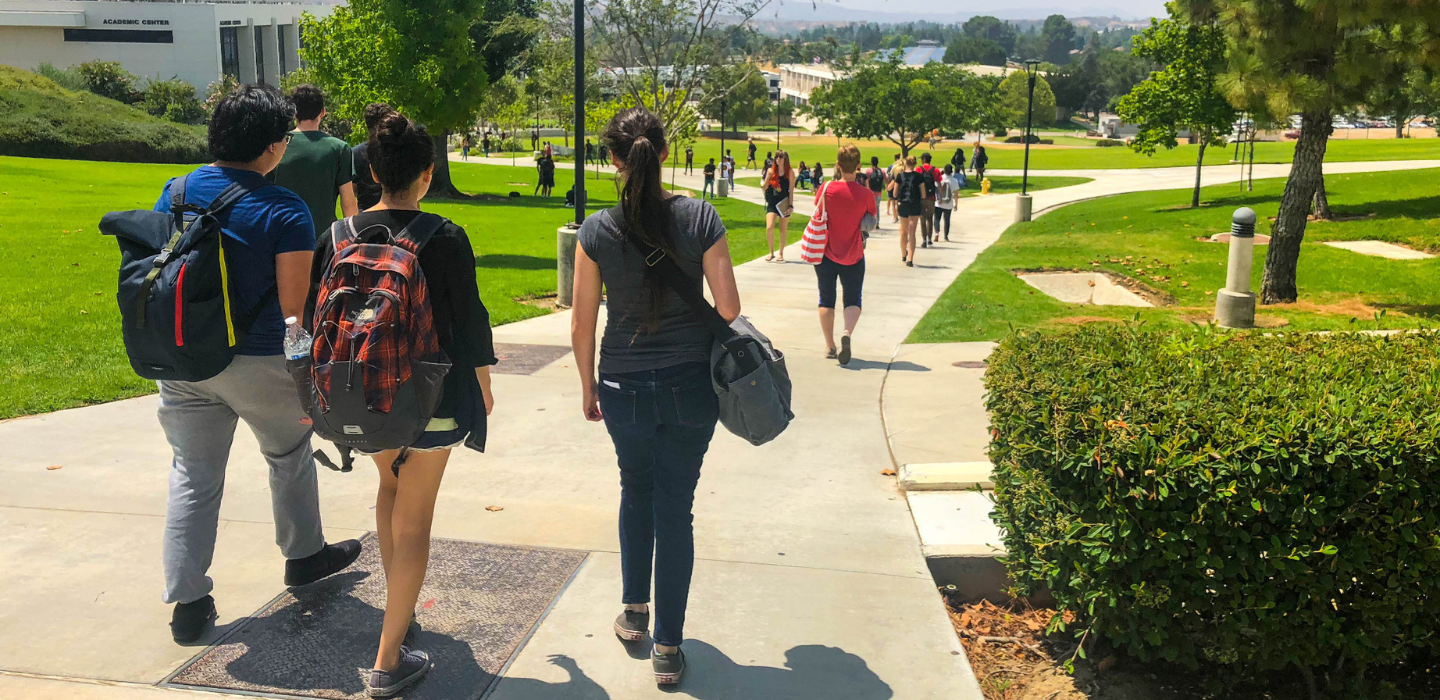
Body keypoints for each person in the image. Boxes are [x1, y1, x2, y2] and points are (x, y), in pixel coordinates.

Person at [152, 84, 362, 645]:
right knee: (289, 453)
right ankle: (304, 555)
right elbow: (295, 309)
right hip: (259, 359)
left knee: (193, 476)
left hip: (185, 357)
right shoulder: (283, 207)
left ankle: (188, 604)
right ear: (274, 146)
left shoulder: (174, 192)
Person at [305, 111, 497, 698]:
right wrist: (484, 387)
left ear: (369, 170)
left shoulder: (336, 237)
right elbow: (469, 323)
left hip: (363, 394)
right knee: (415, 516)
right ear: (427, 172)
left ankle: (399, 608)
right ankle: (389, 661)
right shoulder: (445, 236)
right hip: (430, 397)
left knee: (389, 490)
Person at [571, 106, 742, 688]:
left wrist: (587, 384)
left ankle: (635, 613)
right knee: (676, 508)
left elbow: (582, 322)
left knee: (634, 489)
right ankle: (668, 646)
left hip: (622, 384)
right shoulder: (700, 218)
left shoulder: (596, 230)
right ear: (665, 153)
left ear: (612, 160)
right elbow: (728, 308)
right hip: (690, 384)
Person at [814, 145, 876, 366]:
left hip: (825, 253)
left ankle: (830, 346)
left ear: (838, 165)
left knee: (826, 299)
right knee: (852, 299)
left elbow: (819, 212)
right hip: (854, 254)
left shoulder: (826, 189)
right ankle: (847, 333)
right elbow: (871, 220)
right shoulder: (866, 194)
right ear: (858, 165)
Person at [269, 84, 358, 234]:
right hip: (325, 236)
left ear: (293, 113)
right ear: (322, 112)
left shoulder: (275, 146)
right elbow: (348, 203)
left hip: (283, 233)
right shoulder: (339, 148)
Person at [351, 102, 396, 212]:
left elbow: (351, 191)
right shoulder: (398, 150)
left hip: (365, 214)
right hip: (397, 212)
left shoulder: (355, 153)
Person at [890, 155, 929, 267]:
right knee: (912, 232)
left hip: (903, 205)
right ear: (915, 164)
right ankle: (910, 258)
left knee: (903, 231)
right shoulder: (919, 176)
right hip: (915, 205)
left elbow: (895, 194)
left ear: (905, 163)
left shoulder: (900, 176)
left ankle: (903, 254)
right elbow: (923, 194)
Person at [763, 150, 795, 263]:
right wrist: (767, 178)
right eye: (777, 157)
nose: (778, 160)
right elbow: (764, 187)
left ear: (785, 160)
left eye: (780, 158)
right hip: (772, 202)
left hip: (784, 202)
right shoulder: (771, 171)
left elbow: (791, 190)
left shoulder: (789, 172)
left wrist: (791, 205)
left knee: (783, 229)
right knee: (769, 227)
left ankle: (781, 253)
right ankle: (771, 252)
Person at [916, 152, 940, 248]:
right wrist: (940, 196)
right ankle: (930, 238)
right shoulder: (935, 170)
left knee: (922, 218)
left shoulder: (918, 169)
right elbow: (939, 183)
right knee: (930, 218)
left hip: (921, 197)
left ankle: (924, 239)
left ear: (923, 160)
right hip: (931, 197)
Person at [934, 164, 957, 242]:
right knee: (947, 219)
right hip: (948, 203)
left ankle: (936, 233)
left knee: (937, 218)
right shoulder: (954, 181)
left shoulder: (940, 179)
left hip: (939, 202)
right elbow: (956, 194)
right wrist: (956, 204)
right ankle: (946, 236)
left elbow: (936, 189)